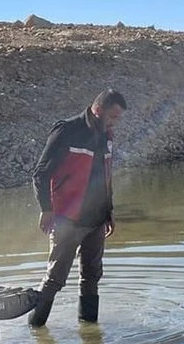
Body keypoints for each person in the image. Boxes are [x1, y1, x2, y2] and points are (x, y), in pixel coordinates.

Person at [28, 89, 127, 327]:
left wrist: (109, 211)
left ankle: (90, 332)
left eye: (118, 119)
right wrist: (46, 209)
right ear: (98, 109)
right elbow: (40, 173)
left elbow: (105, 175)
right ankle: (35, 327)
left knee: (92, 276)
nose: (115, 123)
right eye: (113, 117)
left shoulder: (107, 135)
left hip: (96, 220)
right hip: (67, 218)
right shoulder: (67, 130)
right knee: (55, 279)